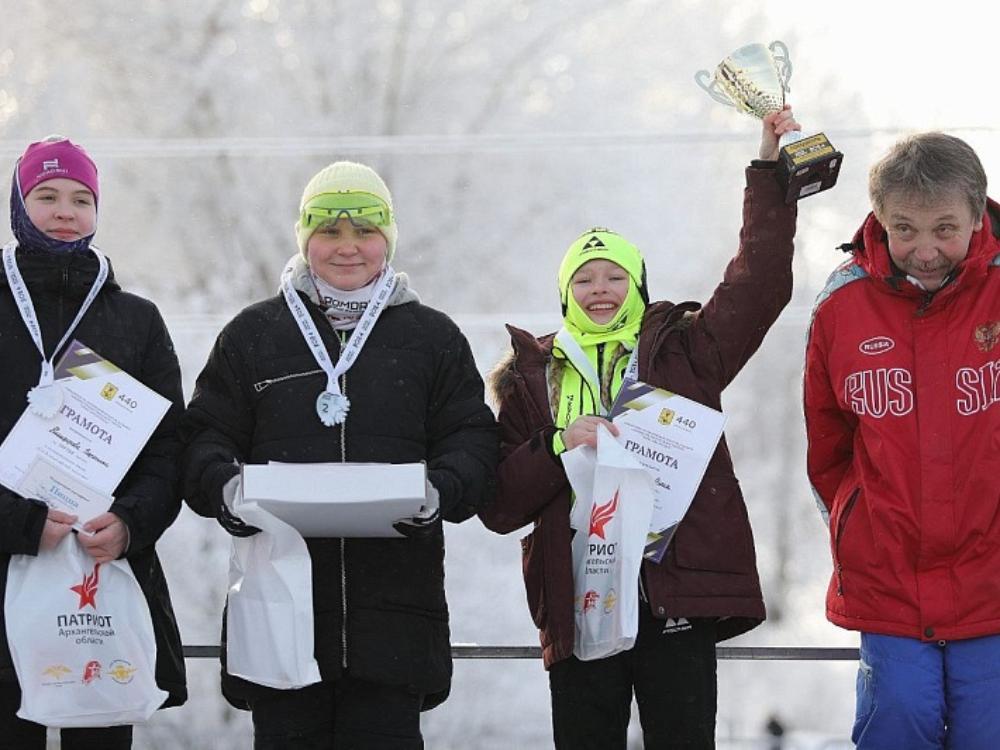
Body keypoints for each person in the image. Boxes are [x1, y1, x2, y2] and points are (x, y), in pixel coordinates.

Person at [479, 107, 801, 749]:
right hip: (578, 596)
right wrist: (558, 445)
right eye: (584, 278)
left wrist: (768, 169)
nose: (599, 288)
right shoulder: (528, 377)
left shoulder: (684, 351)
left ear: (639, 284)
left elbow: (758, 285)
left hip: (671, 590)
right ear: (565, 293)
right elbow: (499, 503)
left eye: (615, 276)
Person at [180, 160, 497, 749]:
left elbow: (473, 439)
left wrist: (440, 489)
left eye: (365, 231)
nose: (348, 247)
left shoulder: (432, 338)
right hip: (280, 617)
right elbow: (203, 436)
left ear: (388, 239)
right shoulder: (254, 335)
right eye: (329, 230)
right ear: (305, 238)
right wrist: (226, 488)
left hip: (395, 622)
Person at [804, 133, 1000, 749]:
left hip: (994, 575)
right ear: (880, 219)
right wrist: (859, 522)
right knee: (898, 717)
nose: (926, 250)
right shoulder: (842, 304)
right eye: (905, 230)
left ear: (978, 213)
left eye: (945, 229)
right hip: (887, 575)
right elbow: (828, 447)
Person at [0, 136, 187, 748]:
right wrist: (19, 524)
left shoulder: (135, 319)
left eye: (82, 199)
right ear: (18, 207)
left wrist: (131, 523)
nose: (65, 212)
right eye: (47, 196)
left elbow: (169, 450)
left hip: (103, 580)